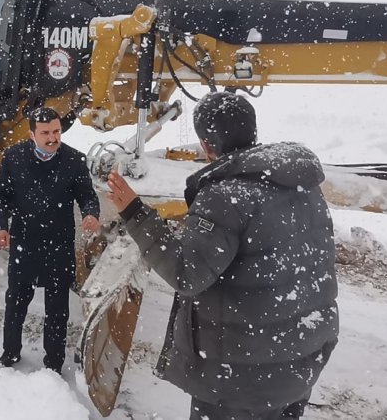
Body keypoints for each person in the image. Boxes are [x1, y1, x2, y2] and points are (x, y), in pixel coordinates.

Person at [106, 91, 339, 419]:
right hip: (299, 359)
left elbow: (186, 274)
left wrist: (134, 213)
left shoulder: (225, 197)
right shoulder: (301, 184)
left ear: (206, 145)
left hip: (242, 378)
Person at [0, 107, 101, 373]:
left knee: (58, 309)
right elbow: (0, 197)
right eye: (45, 133)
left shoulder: (74, 160)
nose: (52, 138)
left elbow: (87, 195)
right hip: (25, 243)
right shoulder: (14, 158)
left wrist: (91, 214)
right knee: (16, 301)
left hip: (59, 244)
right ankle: (10, 353)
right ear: (31, 134)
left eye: (56, 131)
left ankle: (54, 363)